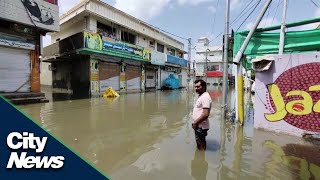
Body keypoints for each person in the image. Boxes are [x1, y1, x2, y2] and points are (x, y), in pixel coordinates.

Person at [192, 79, 212, 150]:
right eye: (195, 87)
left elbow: (206, 114)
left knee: (201, 144)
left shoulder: (205, 97)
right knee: (199, 143)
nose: (196, 88)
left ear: (203, 87)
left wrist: (195, 123)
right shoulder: (201, 96)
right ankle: (201, 157)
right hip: (198, 125)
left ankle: (201, 158)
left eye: (198, 87)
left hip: (200, 126)